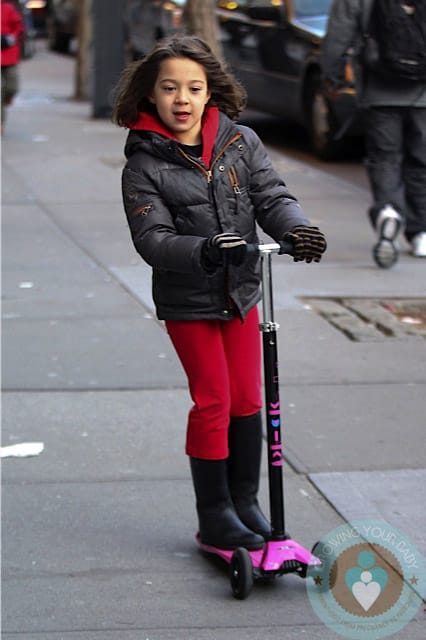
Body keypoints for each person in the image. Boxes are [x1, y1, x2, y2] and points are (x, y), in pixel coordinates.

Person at [113, 34, 326, 550]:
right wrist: (206, 249)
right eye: (169, 89)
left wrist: (294, 228)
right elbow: (153, 239)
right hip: (190, 301)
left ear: (211, 93)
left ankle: (245, 501)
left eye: (193, 88)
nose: (181, 99)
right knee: (213, 401)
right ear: (151, 96)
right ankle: (214, 515)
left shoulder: (240, 142)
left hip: (243, 291)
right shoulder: (142, 165)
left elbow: (270, 195)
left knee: (249, 399)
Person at [322, 0, 426, 266]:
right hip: (423, 93)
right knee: (421, 160)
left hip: (380, 89)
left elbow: (338, 33)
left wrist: (332, 75)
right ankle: (421, 232)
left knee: (385, 158)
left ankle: (388, 210)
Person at [1, 0, 24, 133]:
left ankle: (8, 96)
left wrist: (11, 38)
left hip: (9, 54)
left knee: (12, 86)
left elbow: (19, 27)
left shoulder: (7, 8)